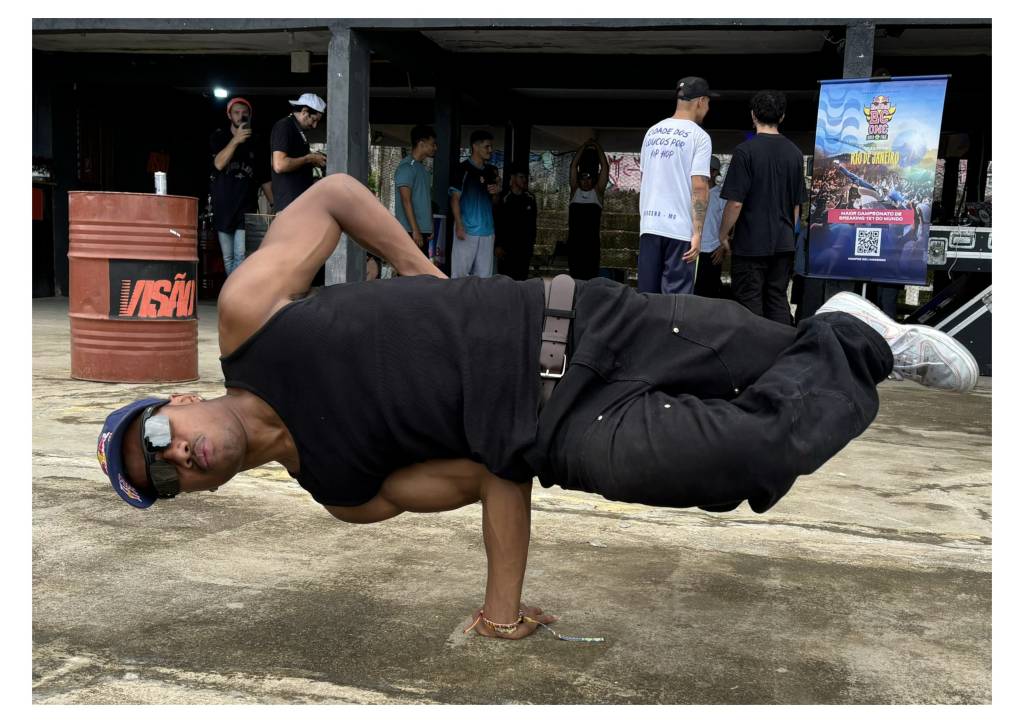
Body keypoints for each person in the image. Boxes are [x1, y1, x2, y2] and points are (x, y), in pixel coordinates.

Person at [96, 173, 978, 641]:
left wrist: (416, 270)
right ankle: (857, 338)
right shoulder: (341, 489)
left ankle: (853, 336)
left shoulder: (252, 323)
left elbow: (330, 196)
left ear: (176, 401)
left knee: (769, 349)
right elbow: (489, 472)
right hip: (567, 432)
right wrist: (501, 609)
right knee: (747, 457)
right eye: (165, 480)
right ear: (195, 495)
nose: (177, 458)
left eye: (159, 436)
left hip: (578, 314)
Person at [717, 89, 806, 325]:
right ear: (782, 116)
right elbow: (797, 206)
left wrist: (723, 234)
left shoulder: (745, 151)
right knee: (777, 299)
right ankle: (780, 353)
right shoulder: (796, 154)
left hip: (751, 243)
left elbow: (735, 203)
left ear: (753, 115)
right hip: (784, 242)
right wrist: (791, 236)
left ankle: (753, 357)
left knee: (749, 301)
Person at [637, 77, 716, 295]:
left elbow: (645, 178)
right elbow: (700, 186)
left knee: (646, 298)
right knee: (675, 303)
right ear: (700, 101)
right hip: (679, 231)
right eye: (708, 103)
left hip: (650, 227)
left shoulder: (652, 132)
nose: (708, 108)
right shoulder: (699, 137)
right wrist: (698, 233)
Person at [209, 97, 274, 275]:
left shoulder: (257, 141)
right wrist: (236, 140)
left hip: (246, 206)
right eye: (236, 113)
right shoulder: (219, 136)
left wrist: (275, 205)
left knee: (240, 255)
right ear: (229, 115)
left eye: (245, 113)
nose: (241, 116)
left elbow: (264, 177)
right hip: (223, 206)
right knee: (228, 257)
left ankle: (234, 297)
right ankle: (233, 295)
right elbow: (219, 164)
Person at [449, 130, 500, 279]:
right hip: (466, 230)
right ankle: (458, 303)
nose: (490, 150)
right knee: (459, 276)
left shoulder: (491, 171)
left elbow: (495, 202)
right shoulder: (462, 169)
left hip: (487, 231)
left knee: (484, 277)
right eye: (487, 146)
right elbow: (454, 199)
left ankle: (480, 303)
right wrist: (459, 225)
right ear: (475, 147)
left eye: (491, 147)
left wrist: (497, 192)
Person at [270, 92, 327, 213]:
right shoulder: (284, 126)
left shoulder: (298, 130)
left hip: (299, 203)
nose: (315, 125)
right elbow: (279, 165)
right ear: (304, 111)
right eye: (314, 120)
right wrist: (308, 159)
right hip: (289, 204)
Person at [566, 140, 609, 280]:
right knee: (575, 278)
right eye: (583, 178)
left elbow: (604, 168)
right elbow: (573, 167)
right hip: (574, 244)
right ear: (580, 178)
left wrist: (598, 146)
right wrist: (583, 146)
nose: (586, 182)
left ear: (593, 179)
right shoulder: (575, 191)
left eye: (589, 179)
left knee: (590, 278)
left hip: (591, 245)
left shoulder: (597, 193)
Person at [395, 125, 438, 258]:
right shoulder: (406, 167)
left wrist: (429, 224)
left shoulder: (423, 170)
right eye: (433, 144)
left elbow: (425, 200)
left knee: (420, 275)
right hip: (410, 231)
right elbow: (405, 200)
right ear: (421, 144)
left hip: (421, 230)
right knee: (409, 274)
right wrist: (415, 230)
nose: (435, 148)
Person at [495, 162, 538, 281]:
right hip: (506, 250)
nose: (524, 180)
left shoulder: (530, 198)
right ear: (513, 177)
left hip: (524, 249)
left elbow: (533, 224)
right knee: (505, 282)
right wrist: (498, 245)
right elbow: (498, 222)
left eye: (526, 177)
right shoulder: (504, 197)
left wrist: (531, 245)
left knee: (521, 281)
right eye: (521, 177)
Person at [693, 155, 727, 298]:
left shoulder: (721, 195)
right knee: (692, 292)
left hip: (712, 252)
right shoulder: (692, 192)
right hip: (693, 250)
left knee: (709, 294)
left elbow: (730, 223)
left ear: (714, 173)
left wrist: (723, 247)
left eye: (706, 170)